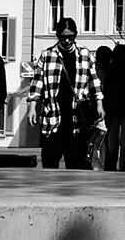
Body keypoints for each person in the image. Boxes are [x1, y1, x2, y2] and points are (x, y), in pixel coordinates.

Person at [30, 17, 100, 169]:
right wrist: (32, 106)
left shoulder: (85, 54)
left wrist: (100, 104)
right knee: (49, 162)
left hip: (77, 120)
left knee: (76, 164)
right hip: (52, 117)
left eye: (71, 37)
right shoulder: (47, 55)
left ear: (76, 34)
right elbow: (37, 82)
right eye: (63, 37)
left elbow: (94, 82)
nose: (67, 41)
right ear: (57, 36)